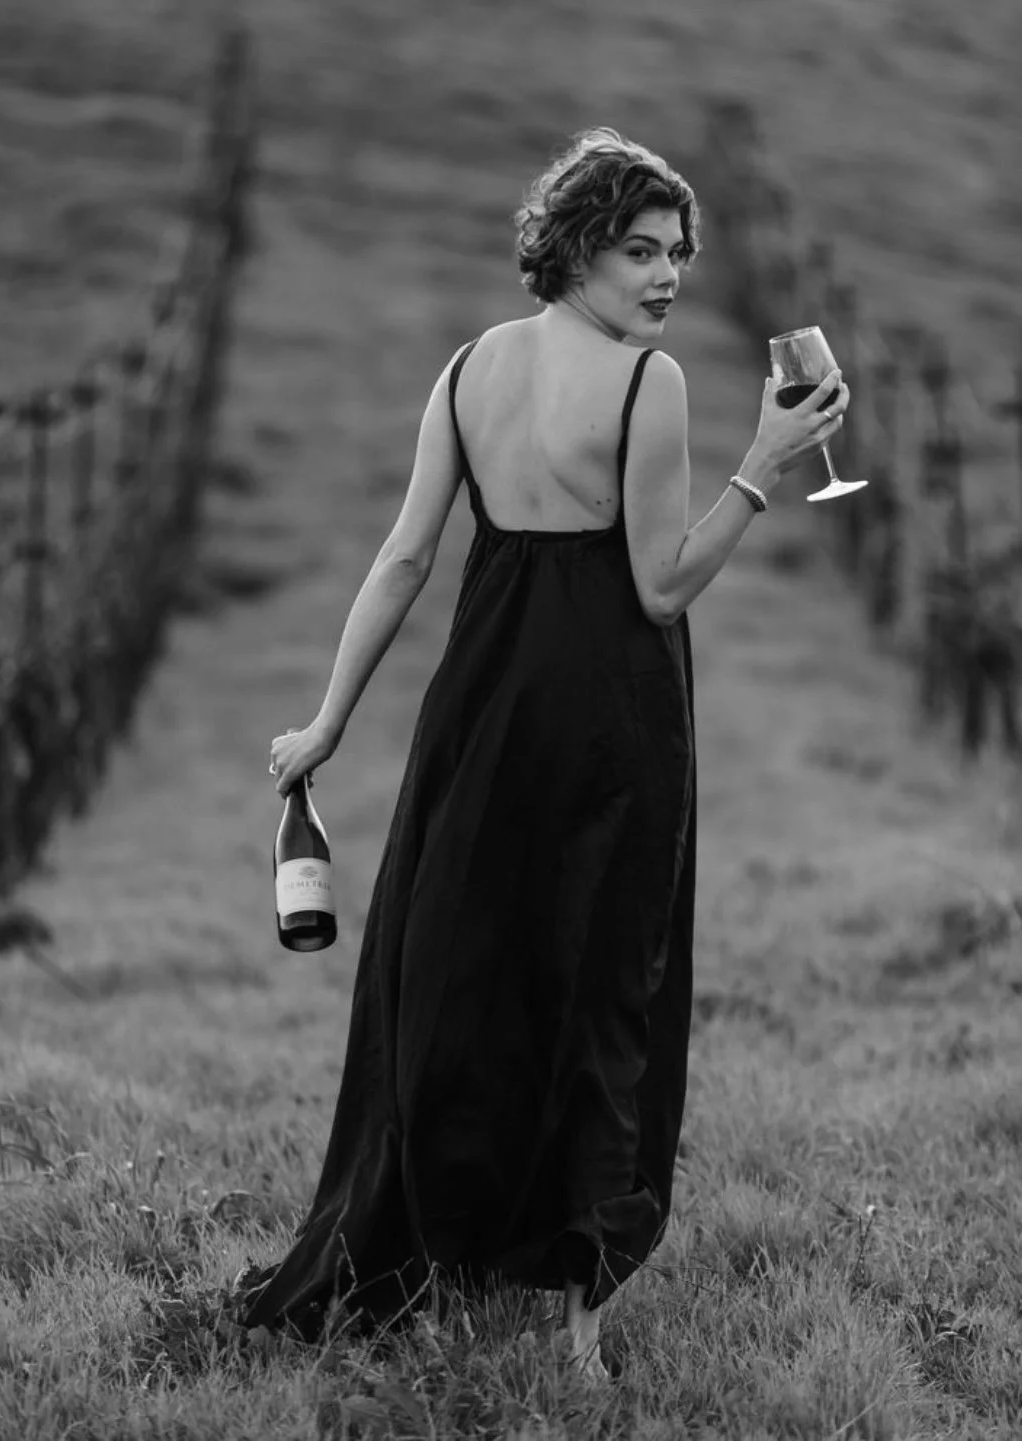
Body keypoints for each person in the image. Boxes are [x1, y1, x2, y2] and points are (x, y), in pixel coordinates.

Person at [239, 126, 849, 1379]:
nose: (667, 277)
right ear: (574, 248)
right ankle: (559, 1308)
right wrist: (763, 468)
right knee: (594, 988)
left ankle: (437, 1259)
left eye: (678, 252)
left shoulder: (469, 367)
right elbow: (663, 587)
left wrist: (329, 723)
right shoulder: (651, 383)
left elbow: (404, 561)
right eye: (640, 252)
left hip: (477, 711)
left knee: (459, 974)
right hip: (606, 720)